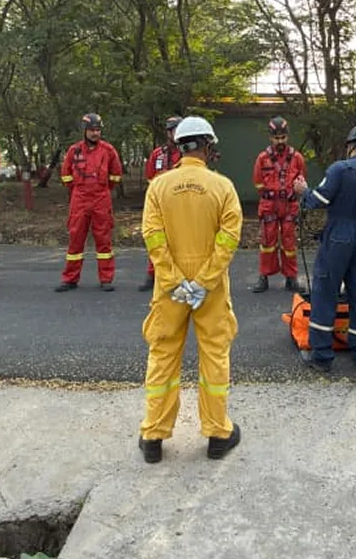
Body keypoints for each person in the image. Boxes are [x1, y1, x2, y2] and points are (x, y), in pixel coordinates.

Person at [138, 116, 242, 464]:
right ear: (208, 146)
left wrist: (173, 279)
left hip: (171, 290)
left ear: (177, 147)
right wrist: (203, 281)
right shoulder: (222, 187)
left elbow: (152, 236)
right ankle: (216, 433)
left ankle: (153, 436)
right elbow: (229, 240)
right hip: (208, 290)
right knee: (214, 355)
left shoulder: (159, 187)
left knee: (163, 354)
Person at [292, 125, 356, 373]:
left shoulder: (340, 169)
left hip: (339, 236)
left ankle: (323, 357)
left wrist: (303, 192)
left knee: (325, 291)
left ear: (350, 146)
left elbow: (320, 200)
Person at [56, 113, 124, 292]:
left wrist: (102, 189)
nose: (95, 133)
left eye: (98, 130)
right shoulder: (74, 151)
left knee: (104, 240)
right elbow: (66, 175)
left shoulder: (108, 150)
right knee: (75, 239)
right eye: (92, 130)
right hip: (79, 198)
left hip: (101, 198)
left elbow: (115, 175)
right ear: (84, 131)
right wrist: (79, 189)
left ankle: (106, 279)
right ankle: (70, 279)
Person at [251, 116, 306, 293]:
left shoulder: (297, 158)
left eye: (283, 137)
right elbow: (258, 182)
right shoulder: (262, 158)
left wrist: (295, 194)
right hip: (270, 205)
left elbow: (301, 180)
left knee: (289, 243)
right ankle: (264, 277)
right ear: (270, 137)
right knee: (267, 241)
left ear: (287, 137)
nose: (280, 141)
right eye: (276, 138)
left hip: (289, 206)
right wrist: (271, 197)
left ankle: (291, 278)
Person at [138, 115, 183, 291]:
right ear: (168, 132)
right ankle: (152, 275)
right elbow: (150, 176)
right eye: (174, 130)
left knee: (181, 242)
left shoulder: (188, 153)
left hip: (181, 204)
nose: (176, 134)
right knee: (156, 240)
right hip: (160, 204)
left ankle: (178, 277)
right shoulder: (158, 154)